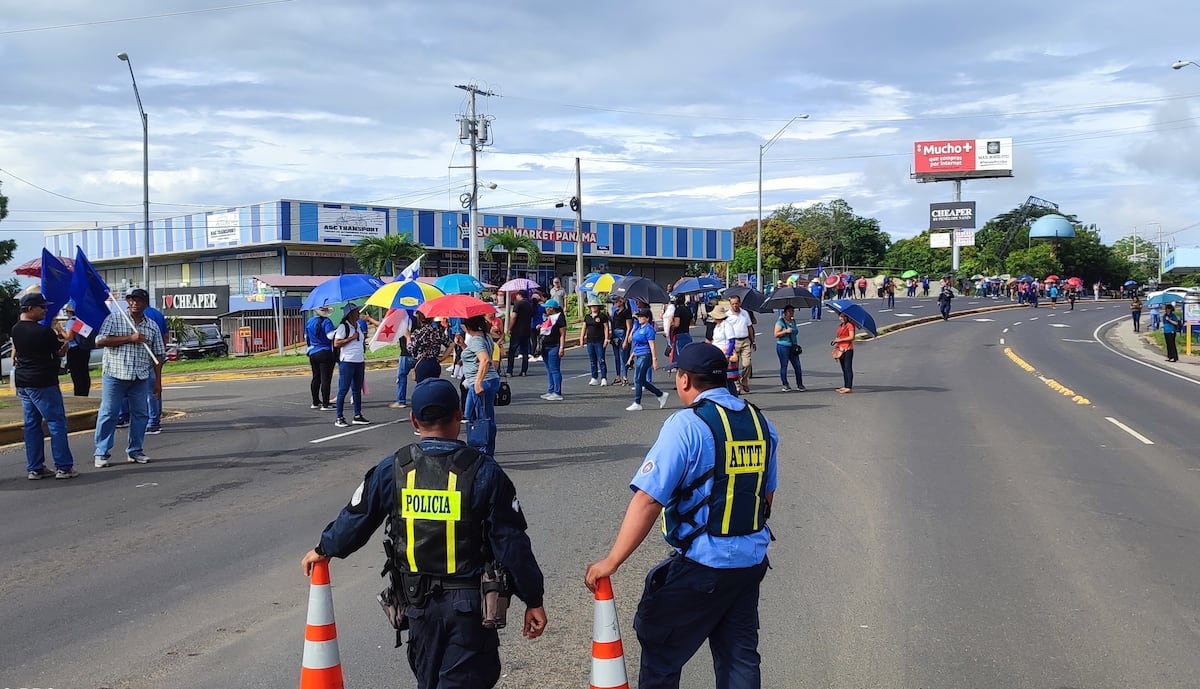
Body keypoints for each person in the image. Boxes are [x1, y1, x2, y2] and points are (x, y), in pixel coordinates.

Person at [301, 378, 547, 689]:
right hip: (469, 608)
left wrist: (324, 549)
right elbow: (512, 545)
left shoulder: (395, 468)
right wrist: (533, 598)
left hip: (418, 607)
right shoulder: (484, 472)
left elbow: (358, 516)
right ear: (459, 415)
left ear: (414, 420)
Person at [585, 343, 778, 689]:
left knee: (661, 651)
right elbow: (766, 495)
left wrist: (612, 561)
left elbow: (648, 500)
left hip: (702, 566)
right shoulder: (760, 423)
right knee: (739, 657)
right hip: (749, 565)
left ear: (685, 379)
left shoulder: (686, 425)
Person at [93, 289, 166, 467]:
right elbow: (100, 340)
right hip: (115, 374)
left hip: (140, 376)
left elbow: (158, 355)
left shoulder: (151, 326)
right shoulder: (115, 318)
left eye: (138, 300)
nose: (134, 303)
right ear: (126, 302)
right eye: (131, 300)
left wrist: (157, 381)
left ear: (145, 303)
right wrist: (130, 338)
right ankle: (101, 452)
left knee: (140, 414)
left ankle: (135, 450)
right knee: (109, 412)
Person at [12, 293, 77, 479]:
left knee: (32, 424)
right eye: (42, 307)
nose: (45, 311)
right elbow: (57, 351)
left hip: (23, 381)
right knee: (56, 422)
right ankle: (64, 467)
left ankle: (35, 467)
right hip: (43, 381)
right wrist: (64, 346)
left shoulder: (16, 329)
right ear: (30, 309)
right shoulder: (43, 332)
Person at [460, 314, 501, 455]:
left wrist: (478, 383)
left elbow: (484, 360)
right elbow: (475, 356)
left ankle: (485, 451)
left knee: (484, 418)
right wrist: (462, 345)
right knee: (471, 414)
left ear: (468, 326)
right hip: (487, 380)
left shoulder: (477, 339)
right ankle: (480, 446)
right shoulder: (484, 337)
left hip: (482, 381)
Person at [332, 303, 370, 428]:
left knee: (356, 389)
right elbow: (337, 343)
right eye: (356, 312)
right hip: (347, 361)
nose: (358, 313)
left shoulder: (358, 325)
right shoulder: (344, 327)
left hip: (359, 361)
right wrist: (352, 338)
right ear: (350, 314)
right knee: (343, 389)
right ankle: (339, 417)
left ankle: (357, 415)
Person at [626, 308, 668, 411]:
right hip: (639, 355)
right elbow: (635, 344)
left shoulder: (648, 329)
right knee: (642, 380)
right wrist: (631, 357)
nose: (639, 318)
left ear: (647, 318)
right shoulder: (639, 327)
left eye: (642, 317)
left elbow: (652, 345)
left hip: (645, 355)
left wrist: (654, 359)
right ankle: (660, 394)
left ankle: (637, 402)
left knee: (637, 379)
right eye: (639, 316)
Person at [305, 305, 337, 410]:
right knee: (325, 379)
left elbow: (307, 337)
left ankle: (315, 402)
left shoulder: (310, 321)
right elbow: (330, 336)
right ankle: (325, 403)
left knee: (316, 377)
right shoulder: (327, 322)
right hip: (325, 352)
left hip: (313, 352)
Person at [62, 302, 96, 397]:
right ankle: (84, 393)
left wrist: (60, 330)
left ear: (69, 312)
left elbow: (69, 337)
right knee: (84, 372)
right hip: (84, 349)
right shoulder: (81, 321)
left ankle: (79, 394)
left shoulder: (71, 322)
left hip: (74, 350)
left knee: (76, 374)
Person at [725, 295, 755, 394]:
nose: (735, 306)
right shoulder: (727, 315)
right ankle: (737, 385)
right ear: (730, 304)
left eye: (736, 303)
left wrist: (753, 340)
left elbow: (749, 327)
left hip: (745, 341)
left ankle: (744, 380)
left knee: (747, 364)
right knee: (734, 366)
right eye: (732, 304)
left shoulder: (744, 313)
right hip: (733, 342)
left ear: (740, 303)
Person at [537, 298, 567, 400]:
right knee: (549, 370)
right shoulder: (548, 318)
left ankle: (557, 392)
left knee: (555, 370)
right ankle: (551, 390)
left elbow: (562, 334)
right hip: (545, 346)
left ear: (551, 308)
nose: (545, 309)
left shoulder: (559, 318)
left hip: (554, 346)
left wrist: (562, 347)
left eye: (547, 308)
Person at [580, 297, 610, 386]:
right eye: (592, 306)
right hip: (590, 341)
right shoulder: (587, 317)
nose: (593, 307)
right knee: (592, 360)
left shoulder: (602, 316)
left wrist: (606, 339)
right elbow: (584, 327)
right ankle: (594, 377)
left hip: (599, 341)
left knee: (601, 359)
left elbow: (606, 328)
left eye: (595, 306)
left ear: (598, 307)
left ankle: (604, 377)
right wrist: (581, 338)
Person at [773, 305, 805, 392]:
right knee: (784, 365)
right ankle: (785, 384)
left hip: (793, 346)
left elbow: (795, 332)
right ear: (785, 312)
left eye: (793, 311)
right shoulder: (780, 322)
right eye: (790, 311)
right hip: (783, 346)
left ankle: (800, 384)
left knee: (797, 366)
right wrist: (785, 331)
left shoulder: (793, 321)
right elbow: (776, 334)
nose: (791, 313)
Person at [390, 321, 417, 410]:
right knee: (420, 378)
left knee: (401, 377)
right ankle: (422, 397)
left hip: (405, 355)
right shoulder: (417, 322)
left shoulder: (402, 322)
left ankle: (401, 400)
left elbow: (386, 326)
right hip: (417, 355)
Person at [506, 290, 534, 376]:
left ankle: (509, 371)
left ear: (519, 295)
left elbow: (514, 317)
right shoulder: (529, 305)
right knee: (525, 351)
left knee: (512, 351)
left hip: (517, 331)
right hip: (526, 331)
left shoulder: (518, 304)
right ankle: (524, 371)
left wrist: (509, 328)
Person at [610, 295, 632, 385]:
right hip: (615, 334)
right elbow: (613, 324)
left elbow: (629, 326)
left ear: (621, 302)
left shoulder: (626, 312)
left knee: (623, 356)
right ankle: (618, 376)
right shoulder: (615, 312)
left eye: (617, 301)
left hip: (623, 334)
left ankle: (625, 376)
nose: (615, 303)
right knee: (616, 357)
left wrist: (626, 339)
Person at [833, 311, 856, 393]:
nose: (842, 318)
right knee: (844, 369)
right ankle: (846, 385)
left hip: (848, 349)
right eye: (841, 316)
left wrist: (841, 339)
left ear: (847, 317)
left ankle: (849, 387)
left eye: (844, 316)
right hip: (841, 349)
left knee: (848, 367)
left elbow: (852, 337)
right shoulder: (840, 326)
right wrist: (837, 343)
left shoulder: (850, 325)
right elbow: (839, 336)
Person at [669, 294, 694, 365]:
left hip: (679, 334)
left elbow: (677, 324)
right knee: (687, 352)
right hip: (687, 333)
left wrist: (671, 324)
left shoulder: (678, 310)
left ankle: (681, 368)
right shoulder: (688, 309)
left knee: (679, 353)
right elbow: (692, 322)